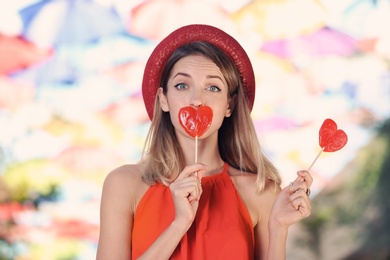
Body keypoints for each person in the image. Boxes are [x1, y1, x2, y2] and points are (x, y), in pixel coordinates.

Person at [96, 24, 312, 259]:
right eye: (181, 85)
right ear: (164, 100)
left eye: (213, 87)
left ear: (229, 105)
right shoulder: (124, 184)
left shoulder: (262, 191)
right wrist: (179, 224)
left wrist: (279, 228)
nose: (196, 99)